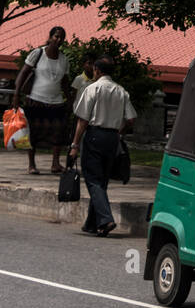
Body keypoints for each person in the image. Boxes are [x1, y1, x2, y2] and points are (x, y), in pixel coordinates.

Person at [69, 56, 136, 237]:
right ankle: (92, 223)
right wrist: (118, 132)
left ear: (97, 71)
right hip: (112, 138)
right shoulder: (121, 91)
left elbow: (82, 120)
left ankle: (106, 219)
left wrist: (75, 144)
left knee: (93, 179)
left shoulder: (93, 88)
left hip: (94, 135)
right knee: (102, 180)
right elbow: (130, 119)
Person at [12, 25, 72, 175]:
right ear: (50, 37)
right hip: (35, 99)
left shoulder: (64, 60)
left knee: (58, 131)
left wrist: (70, 99)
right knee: (33, 133)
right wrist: (16, 94)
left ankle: (55, 164)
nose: (58, 40)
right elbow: (23, 73)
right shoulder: (38, 53)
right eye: (56, 36)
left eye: (61, 37)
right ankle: (32, 165)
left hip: (56, 101)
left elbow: (65, 81)